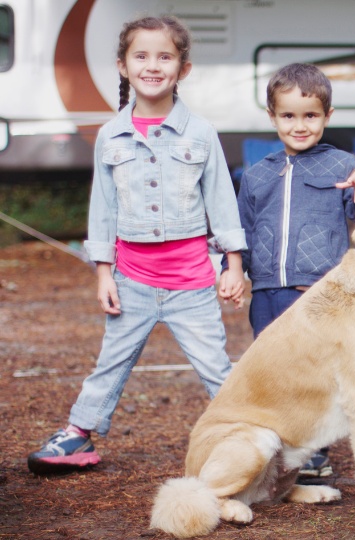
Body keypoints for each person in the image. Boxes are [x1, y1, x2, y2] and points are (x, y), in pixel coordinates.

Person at [27, 15, 247, 474]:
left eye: (165, 56)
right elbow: (102, 209)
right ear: (123, 66)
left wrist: (233, 264)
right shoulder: (111, 135)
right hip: (133, 281)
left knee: (217, 368)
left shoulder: (200, 133)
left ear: (182, 69)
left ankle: (250, 434)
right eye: (141, 56)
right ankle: (78, 436)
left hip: (192, 282)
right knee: (110, 364)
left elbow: (222, 201)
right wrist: (104, 273)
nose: (153, 65)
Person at [234, 63, 355, 481]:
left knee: (318, 372)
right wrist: (234, 271)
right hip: (266, 293)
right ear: (272, 117)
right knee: (274, 371)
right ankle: (280, 447)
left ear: (327, 117)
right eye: (288, 116)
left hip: (317, 293)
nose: (300, 125)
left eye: (310, 115)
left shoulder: (342, 165)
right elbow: (240, 229)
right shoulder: (257, 175)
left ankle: (314, 453)